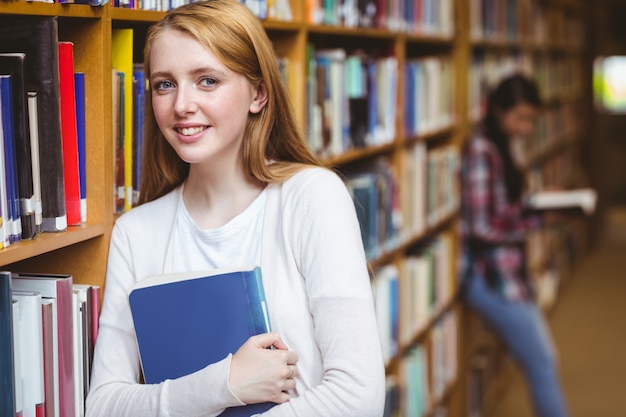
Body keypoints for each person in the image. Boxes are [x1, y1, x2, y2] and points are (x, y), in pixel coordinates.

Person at [85, 1, 386, 416]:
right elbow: (103, 405)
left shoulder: (312, 198)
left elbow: (359, 396)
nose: (181, 105)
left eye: (207, 80)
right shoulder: (136, 233)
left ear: (258, 94)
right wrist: (224, 383)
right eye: (164, 84)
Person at [460, 73, 570, 417]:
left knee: (542, 360)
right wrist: (538, 218)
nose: (525, 128)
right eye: (519, 118)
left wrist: (536, 203)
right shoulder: (481, 149)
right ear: (497, 110)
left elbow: (501, 208)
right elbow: (481, 226)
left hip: (508, 271)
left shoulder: (502, 144)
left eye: (531, 120)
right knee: (543, 362)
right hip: (490, 276)